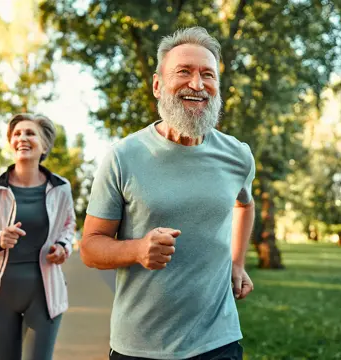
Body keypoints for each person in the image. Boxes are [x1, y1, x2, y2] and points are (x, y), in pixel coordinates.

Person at [81, 27, 256, 360]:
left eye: (208, 74)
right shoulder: (123, 157)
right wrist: (137, 249)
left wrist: (237, 263)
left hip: (218, 342)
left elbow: (244, 205)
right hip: (140, 346)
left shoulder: (238, 156)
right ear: (158, 85)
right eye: (184, 72)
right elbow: (90, 248)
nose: (197, 84)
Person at [0, 113, 76, 360]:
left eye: (30, 133)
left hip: (44, 295)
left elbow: (69, 225)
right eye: (17, 134)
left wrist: (62, 246)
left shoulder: (60, 188)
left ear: (44, 145)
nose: (22, 138)